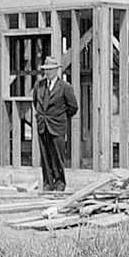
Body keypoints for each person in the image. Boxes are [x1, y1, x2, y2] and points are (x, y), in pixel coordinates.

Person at [32, 56, 78, 192]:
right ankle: (47, 183)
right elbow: (36, 103)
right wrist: (43, 117)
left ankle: (59, 183)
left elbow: (73, 107)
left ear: (56, 71)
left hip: (57, 126)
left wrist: (59, 118)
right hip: (42, 126)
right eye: (46, 70)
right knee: (45, 156)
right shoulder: (39, 85)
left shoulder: (65, 87)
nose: (48, 72)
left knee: (58, 156)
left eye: (51, 70)